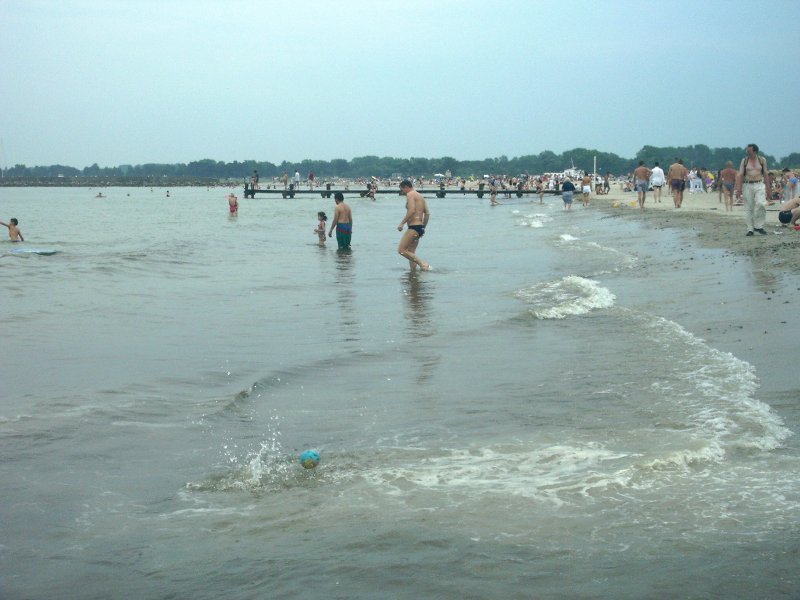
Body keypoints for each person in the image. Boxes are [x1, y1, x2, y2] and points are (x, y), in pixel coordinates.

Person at [735, 143, 769, 236]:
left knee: (761, 203)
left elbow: (765, 173)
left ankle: (759, 226)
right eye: (746, 150)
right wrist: (738, 189)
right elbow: (740, 174)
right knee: (748, 208)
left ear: (755, 151)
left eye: (749, 151)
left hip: (759, 184)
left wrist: (768, 189)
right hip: (747, 185)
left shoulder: (762, 160)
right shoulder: (744, 161)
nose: (747, 152)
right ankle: (750, 229)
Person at [397, 179, 431, 271]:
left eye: (402, 189)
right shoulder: (420, 196)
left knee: (402, 250)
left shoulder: (410, 194)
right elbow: (427, 213)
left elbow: (411, 210)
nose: (402, 192)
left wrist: (402, 223)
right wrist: (423, 228)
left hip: (413, 227)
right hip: (419, 227)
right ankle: (413, 273)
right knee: (411, 252)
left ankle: (423, 264)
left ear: (406, 187)